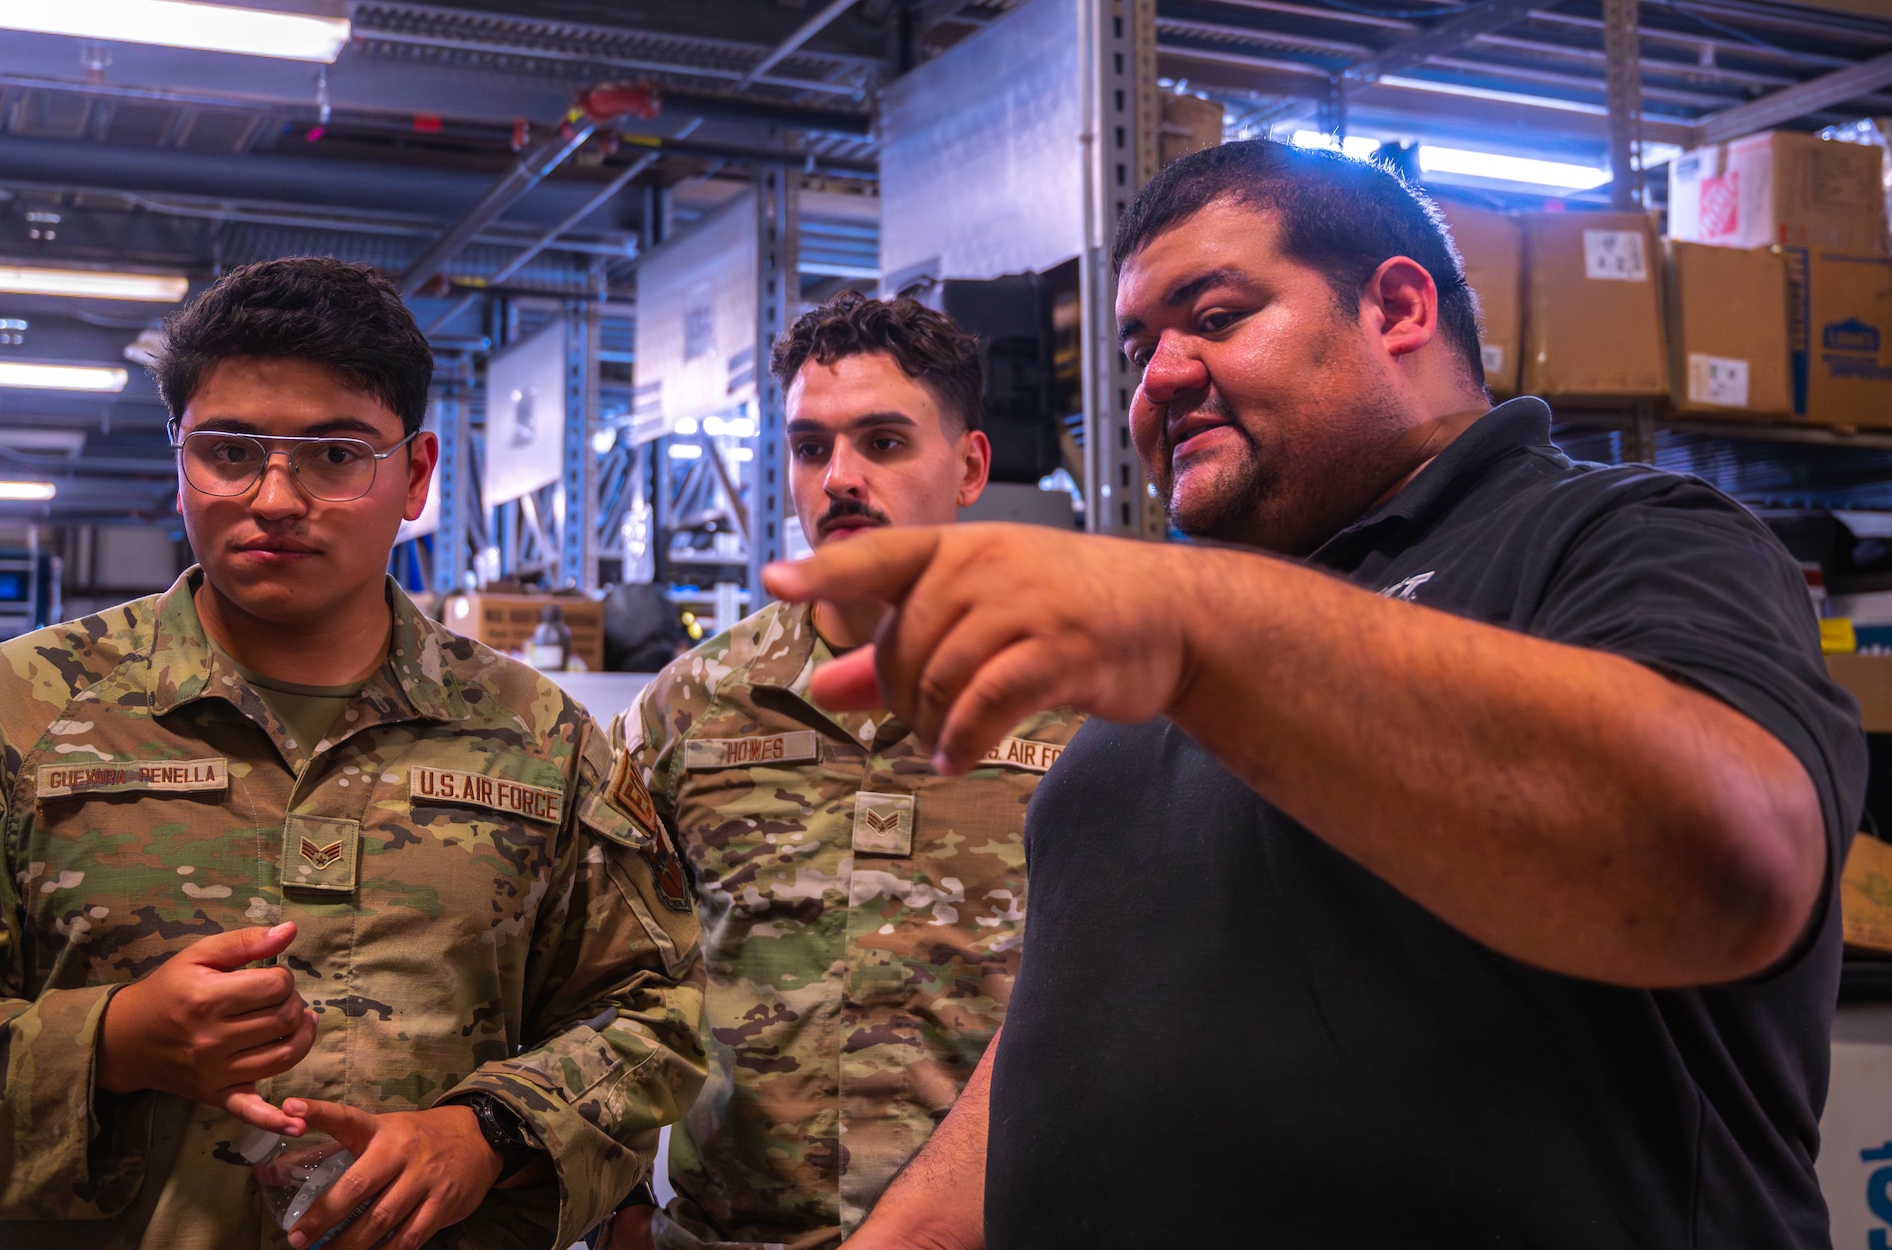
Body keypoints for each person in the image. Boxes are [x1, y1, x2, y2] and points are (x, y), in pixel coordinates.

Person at [774, 141, 1868, 1248]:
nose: (1157, 375)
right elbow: (1074, 1026)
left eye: (1213, 316)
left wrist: (1193, 623)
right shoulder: (1168, 655)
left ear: (1394, 306)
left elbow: (1730, 863)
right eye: (1136, 343)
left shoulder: (1615, 536)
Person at [0, 257, 706, 1250]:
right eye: (229, 449)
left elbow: (655, 1010)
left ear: (414, 475)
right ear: (177, 460)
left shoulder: (537, 736)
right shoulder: (17, 712)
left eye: (334, 455)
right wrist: (108, 1043)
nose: (275, 495)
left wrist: (489, 1128)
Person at [604, 292, 1083, 1248]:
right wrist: (613, 1206)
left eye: (885, 442)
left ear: (971, 466)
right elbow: (612, 976)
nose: (841, 480)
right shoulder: (691, 707)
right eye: (812, 447)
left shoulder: (1078, 704)